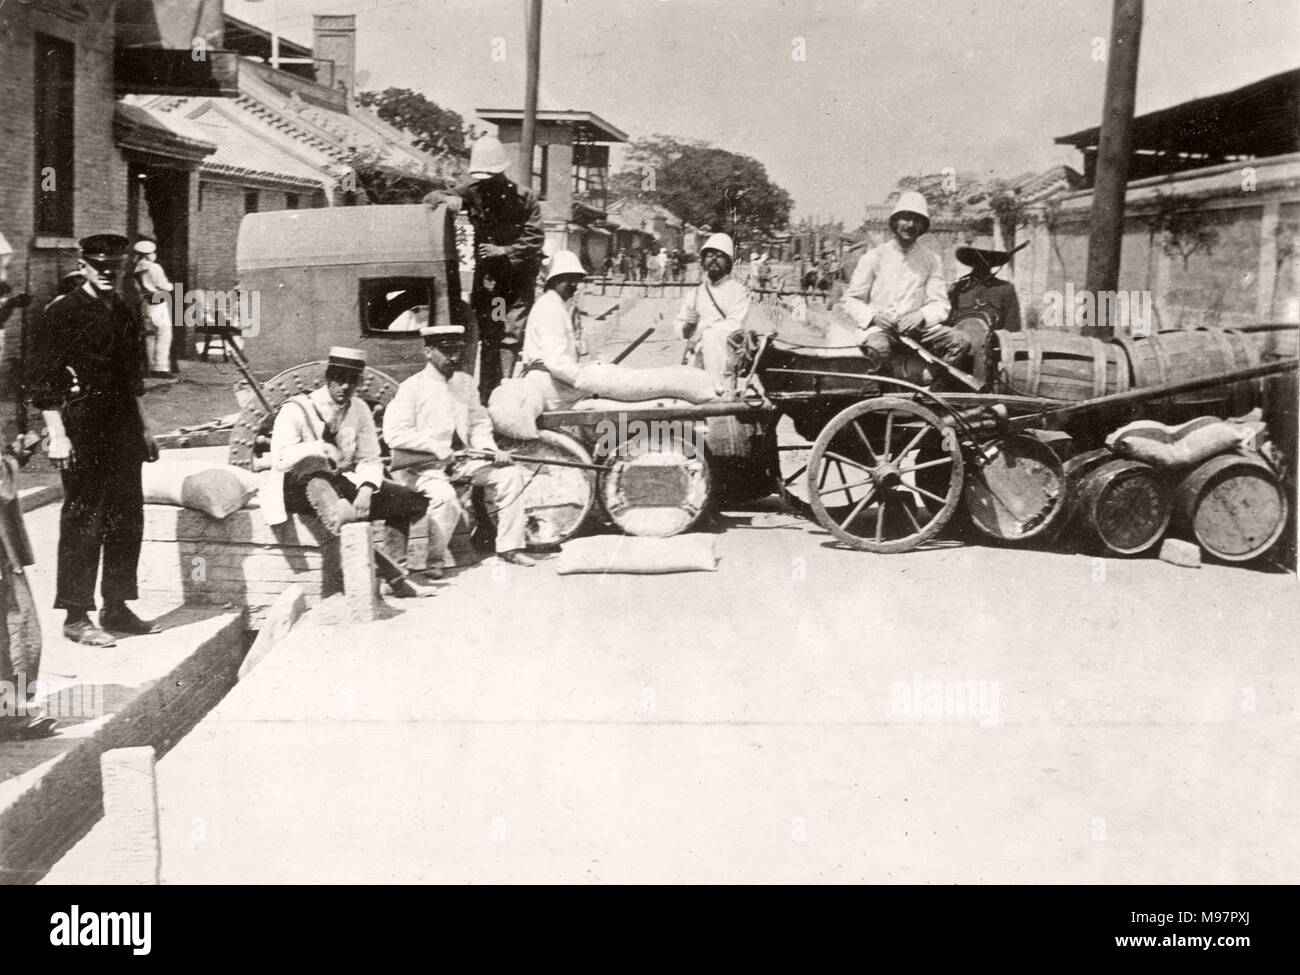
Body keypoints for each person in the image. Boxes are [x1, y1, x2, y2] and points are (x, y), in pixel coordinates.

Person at [28, 234, 161, 647]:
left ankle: (117, 604)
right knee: (85, 516)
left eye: (114, 268)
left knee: (126, 517)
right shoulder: (62, 312)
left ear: (123, 268)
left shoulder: (123, 309)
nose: (107, 274)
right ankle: (75, 614)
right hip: (81, 423)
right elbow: (43, 382)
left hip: (121, 423)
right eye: (99, 267)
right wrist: (57, 434)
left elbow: (130, 378)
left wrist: (144, 427)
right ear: (83, 266)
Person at [264, 347, 435, 598]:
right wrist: (318, 448)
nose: (345, 387)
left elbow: (369, 457)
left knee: (408, 500)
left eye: (352, 382)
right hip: (296, 488)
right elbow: (279, 459)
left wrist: (366, 488)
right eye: (340, 380)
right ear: (328, 379)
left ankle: (395, 573)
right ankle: (395, 576)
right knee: (326, 491)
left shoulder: (360, 409)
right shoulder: (297, 409)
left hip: (336, 483)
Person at [384, 325, 534, 571]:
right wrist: (434, 448)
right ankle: (435, 561)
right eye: (446, 351)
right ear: (428, 351)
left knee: (511, 475)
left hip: (464, 462)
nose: (453, 357)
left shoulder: (464, 383)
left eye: (457, 351)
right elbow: (395, 434)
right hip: (424, 468)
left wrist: (488, 449)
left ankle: (510, 547)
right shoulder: (411, 388)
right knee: (445, 498)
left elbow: (478, 423)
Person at [425, 136, 544, 402]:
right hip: (493, 283)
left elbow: (535, 238)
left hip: (516, 281)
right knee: (490, 334)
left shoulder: (525, 198)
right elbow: (439, 195)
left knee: (509, 336)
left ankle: (501, 393)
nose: (486, 184)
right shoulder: (473, 191)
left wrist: (504, 250)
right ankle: (487, 395)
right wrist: (446, 199)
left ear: (501, 171)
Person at [839, 191, 971, 376]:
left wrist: (921, 315)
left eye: (917, 220)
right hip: (881, 330)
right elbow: (851, 300)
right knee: (879, 349)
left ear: (923, 226)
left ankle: (931, 392)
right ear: (895, 223)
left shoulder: (931, 260)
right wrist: (874, 316)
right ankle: (887, 397)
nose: (910, 225)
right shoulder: (874, 257)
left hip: (920, 331)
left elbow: (940, 303)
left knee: (960, 341)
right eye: (905, 218)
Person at [672, 233, 751, 381]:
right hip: (695, 359)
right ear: (703, 261)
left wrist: (703, 331)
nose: (714, 259)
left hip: (722, 357)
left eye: (720, 255)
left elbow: (735, 325)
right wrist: (687, 325)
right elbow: (680, 326)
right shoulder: (695, 293)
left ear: (728, 262)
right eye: (709, 255)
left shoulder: (738, 291)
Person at [518, 250, 590, 410]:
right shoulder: (550, 308)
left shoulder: (556, 305)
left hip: (552, 381)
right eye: (568, 279)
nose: (573, 285)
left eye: (575, 280)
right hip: (548, 384)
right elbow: (556, 361)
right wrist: (586, 380)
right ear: (554, 281)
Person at [948, 241, 1024, 332]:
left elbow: (1013, 327)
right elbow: (947, 322)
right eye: (976, 259)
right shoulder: (958, 288)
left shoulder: (1005, 288)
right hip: (959, 343)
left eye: (986, 260)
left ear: (991, 263)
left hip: (992, 344)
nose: (980, 264)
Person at [132, 239, 174, 377]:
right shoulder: (154, 267)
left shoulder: (136, 269)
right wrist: (170, 287)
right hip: (158, 301)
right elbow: (165, 285)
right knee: (164, 334)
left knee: (149, 336)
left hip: (145, 303)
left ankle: (149, 366)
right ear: (149, 254)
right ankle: (161, 367)